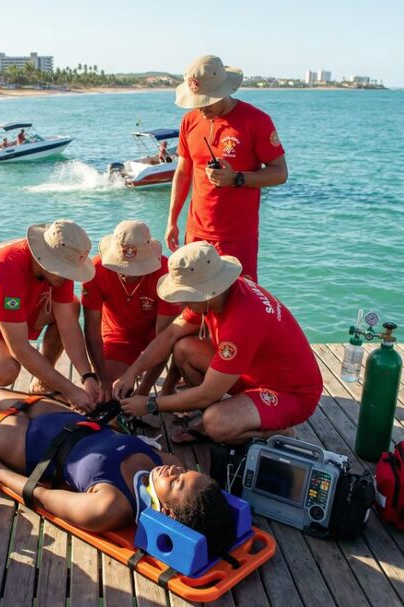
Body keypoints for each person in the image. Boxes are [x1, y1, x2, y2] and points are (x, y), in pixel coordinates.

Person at [0, 351, 236, 558]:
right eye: (185, 473)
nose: (175, 472)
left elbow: (45, 496)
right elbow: (175, 472)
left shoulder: (110, 506)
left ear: (167, 513)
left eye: (177, 485)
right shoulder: (168, 465)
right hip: (73, 423)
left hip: (31, 447)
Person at [112, 242, 323, 444]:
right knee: (184, 349)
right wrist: (132, 373)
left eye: (185, 295)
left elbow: (207, 394)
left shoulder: (241, 323)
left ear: (205, 290)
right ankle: (233, 413)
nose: (181, 302)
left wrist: (150, 404)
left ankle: (275, 430)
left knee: (216, 423)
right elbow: (170, 335)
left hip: (290, 394)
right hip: (253, 372)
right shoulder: (219, 295)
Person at [0, 220, 102, 410]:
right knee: (5, 371)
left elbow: (68, 325)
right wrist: (69, 390)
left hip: (12, 313)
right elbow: (20, 348)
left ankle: (42, 384)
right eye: (64, 270)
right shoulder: (6, 271)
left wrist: (87, 377)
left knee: (71, 306)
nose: (68, 277)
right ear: (44, 258)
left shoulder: (59, 265)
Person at [165, 55, 288, 283]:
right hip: (196, 233)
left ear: (224, 91)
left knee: (239, 303)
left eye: (206, 101)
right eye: (196, 101)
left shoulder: (256, 121)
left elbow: (280, 173)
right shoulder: (189, 121)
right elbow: (183, 172)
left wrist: (237, 178)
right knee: (195, 302)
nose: (200, 107)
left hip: (237, 237)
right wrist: (172, 220)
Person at [83, 221, 180, 401]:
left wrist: (143, 392)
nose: (127, 272)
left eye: (136, 266)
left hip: (154, 332)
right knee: (110, 389)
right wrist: (102, 378)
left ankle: (169, 385)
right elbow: (91, 328)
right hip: (118, 334)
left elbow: (163, 338)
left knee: (180, 340)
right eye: (121, 265)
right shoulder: (95, 269)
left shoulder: (167, 273)